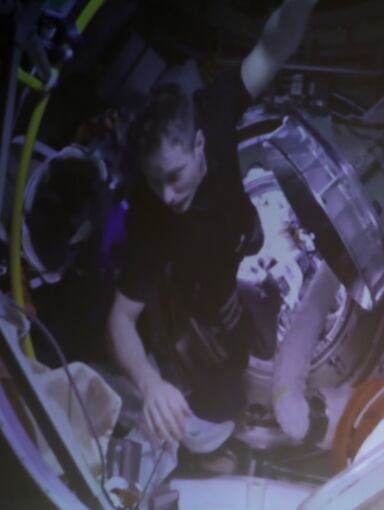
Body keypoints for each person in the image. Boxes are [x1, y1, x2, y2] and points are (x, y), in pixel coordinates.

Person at [107, 0, 318, 445]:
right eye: (154, 180)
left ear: (200, 144)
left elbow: (271, 49)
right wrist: (149, 383)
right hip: (208, 285)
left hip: (244, 229)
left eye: (175, 175)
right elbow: (120, 319)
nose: (167, 195)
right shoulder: (151, 214)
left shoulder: (216, 111)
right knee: (234, 359)